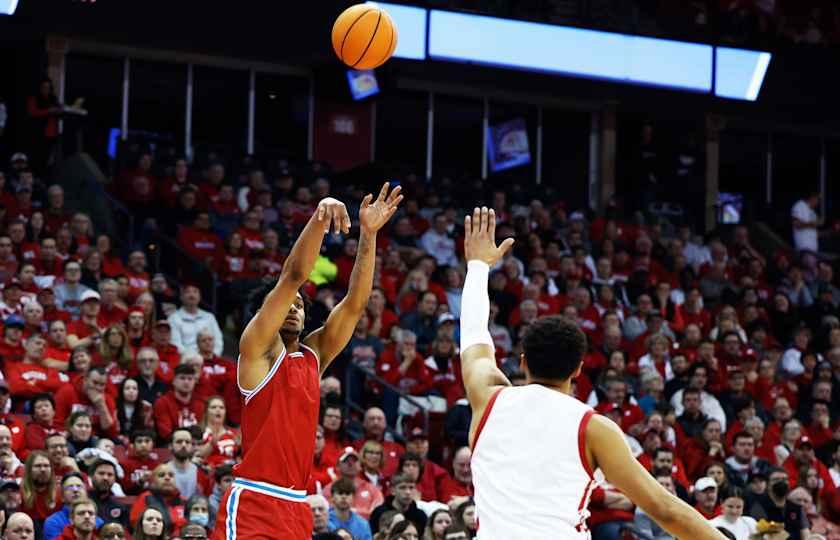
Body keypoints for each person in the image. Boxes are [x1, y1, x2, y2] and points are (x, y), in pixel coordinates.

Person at [457, 207, 727, 539]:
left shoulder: (487, 398)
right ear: (578, 369)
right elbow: (665, 509)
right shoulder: (595, 428)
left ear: (522, 361)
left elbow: (474, 335)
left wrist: (478, 266)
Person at [211, 184, 401, 539]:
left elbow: (355, 304)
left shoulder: (313, 356)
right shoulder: (257, 349)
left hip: (297, 504)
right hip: (254, 498)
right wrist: (319, 217)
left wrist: (369, 235)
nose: (293, 308)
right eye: (286, 303)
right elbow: (293, 276)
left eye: (299, 305)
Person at [43, 473, 103, 540]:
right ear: (62, 497)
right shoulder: (53, 522)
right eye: (70, 487)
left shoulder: (99, 522)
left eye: (79, 486)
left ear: (86, 493)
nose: (75, 490)